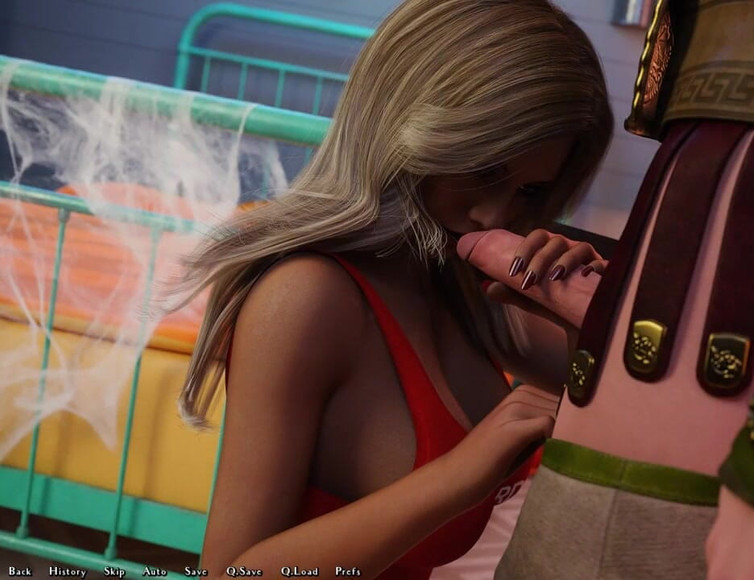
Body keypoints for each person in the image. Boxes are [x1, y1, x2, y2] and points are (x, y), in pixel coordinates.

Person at [171, 1, 614, 578]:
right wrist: (462, 473)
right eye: (484, 170)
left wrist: (594, 306)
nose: (494, 214)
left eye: (529, 191)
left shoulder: (466, 285)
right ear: (408, 125)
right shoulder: (306, 297)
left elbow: (630, 418)